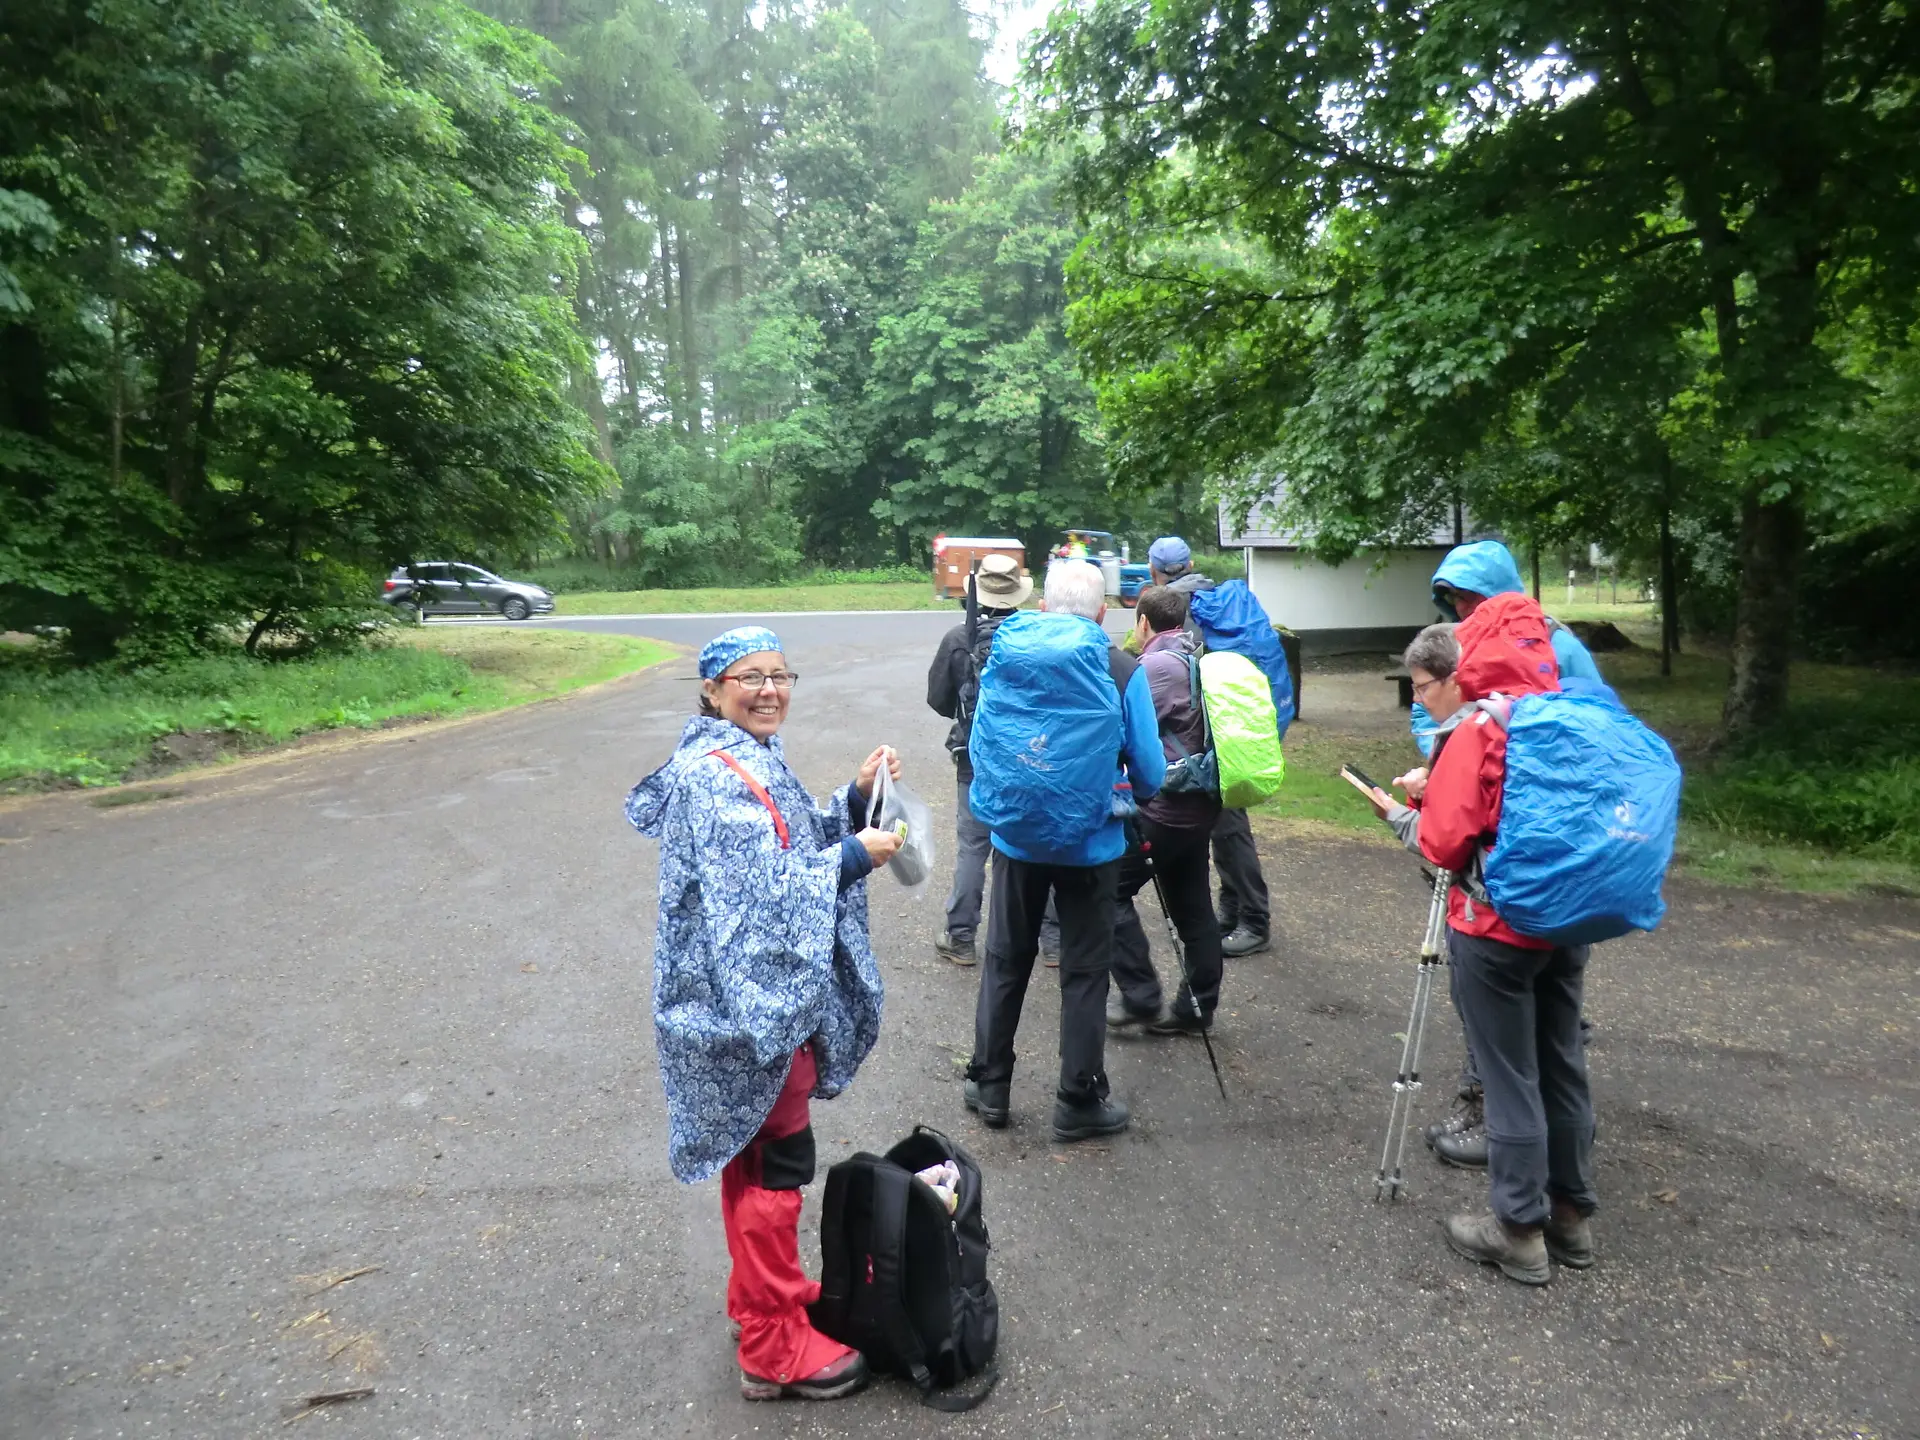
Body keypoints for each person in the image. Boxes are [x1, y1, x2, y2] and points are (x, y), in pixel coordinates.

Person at [624, 625, 906, 1399]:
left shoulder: (745, 757)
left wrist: (851, 802)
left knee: (752, 1157)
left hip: (736, 1005)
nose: (770, 689)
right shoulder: (717, 775)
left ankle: (761, 1301)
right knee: (776, 1164)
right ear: (712, 690)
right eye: (750, 677)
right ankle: (774, 1347)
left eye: (781, 675)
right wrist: (855, 854)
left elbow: (783, 846)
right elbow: (762, 899)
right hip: (744, 1011)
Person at [1385, 594, 1599, 1287]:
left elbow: (1446, 845)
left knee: (1510, 1076)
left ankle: (1516, 1229)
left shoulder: (1483, 726)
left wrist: (1411, 812)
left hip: (1496, 928)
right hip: (1567, 918)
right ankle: (1570, 1216)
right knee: (1562, 1062)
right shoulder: (1566, 713)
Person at [963, 560, 1165, 1141]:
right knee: (1083, 970)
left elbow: (984, 739)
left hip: (1017, 837)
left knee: (1005, 957)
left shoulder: (1007, 653)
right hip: (1091, 843)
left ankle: (990, 1084)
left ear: (1045, 607)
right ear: (1104, 612)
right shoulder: (1121, 668)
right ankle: (1078, 1097)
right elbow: (1149, 771)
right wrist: (1131, 792)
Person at [1374, 624, 1488, 1170]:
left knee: (1494, 1033)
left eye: (1421, 688)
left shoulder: (1467, 733)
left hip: (1487, 912)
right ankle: (1566, 1194)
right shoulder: (1517, 714)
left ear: (1452, 679)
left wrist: (1399, 815)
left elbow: (1445, 845)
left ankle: (1510, 1178)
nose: (1417, 699)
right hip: (1544, 904)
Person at [925, 555, 1060, 968]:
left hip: (975, 758)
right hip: (1030, 757)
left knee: (972, 846)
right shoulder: (1039, 637)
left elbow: (938, 699)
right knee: (1040, 843)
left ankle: (961, 936)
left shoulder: (958, 638)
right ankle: (1054, 942)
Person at [1147, 534, 1273, 959]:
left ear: (1153, 569)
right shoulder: (1214, 598)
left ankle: (1254, 920)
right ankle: (1231, 909)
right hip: (1232, 728)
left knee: (1230, 828)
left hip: (1210, 738)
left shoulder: (1173, 608)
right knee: (1223, 826)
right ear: (1191, 563)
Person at [1108, 585, 1224, 1034]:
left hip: (1164, 810)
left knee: (1109, 890)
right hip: (1201, 810)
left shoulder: (1154, 666)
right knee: (1194, 910)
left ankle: (1140, 995)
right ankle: (1197, 1008)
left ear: (1143, 622)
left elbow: (1130, 732)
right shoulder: (1200, 656)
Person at [1412, 540, 1602, 757]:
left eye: (1469, 596)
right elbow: (1425, 710)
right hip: (1473, 773)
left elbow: (1598, 715)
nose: (1460, 606)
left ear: (1498, 592)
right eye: (1454, 597)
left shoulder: (1556, 645)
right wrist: (1447, 757)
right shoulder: (1451, 647)